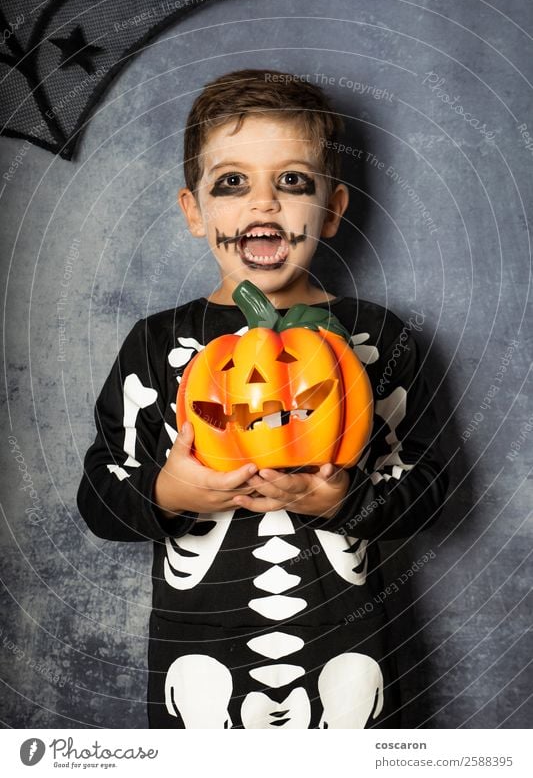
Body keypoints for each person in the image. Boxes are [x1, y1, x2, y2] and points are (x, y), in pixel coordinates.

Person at [77, 68, 449, 729]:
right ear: (194, 212)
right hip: (200, 672)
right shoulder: (155, 343)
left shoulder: (380, 340)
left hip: (348, 663)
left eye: (292, 180)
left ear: (331, 209)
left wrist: (348, 500)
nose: (263, 203)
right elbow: (97, 497)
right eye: (231, 181)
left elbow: (432, 485)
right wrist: (168, 494)